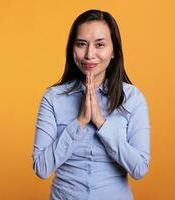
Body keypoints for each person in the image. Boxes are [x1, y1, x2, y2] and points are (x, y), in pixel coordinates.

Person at [32, 9, 151, 200]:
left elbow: (139, 169)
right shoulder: (53, 98)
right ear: (72, 50)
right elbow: (42, 168)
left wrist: (101, 123)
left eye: (100, 45)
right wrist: (80, 121)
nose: (89, 54)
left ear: (114, 52)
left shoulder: (133, 98)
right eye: (81, 44)